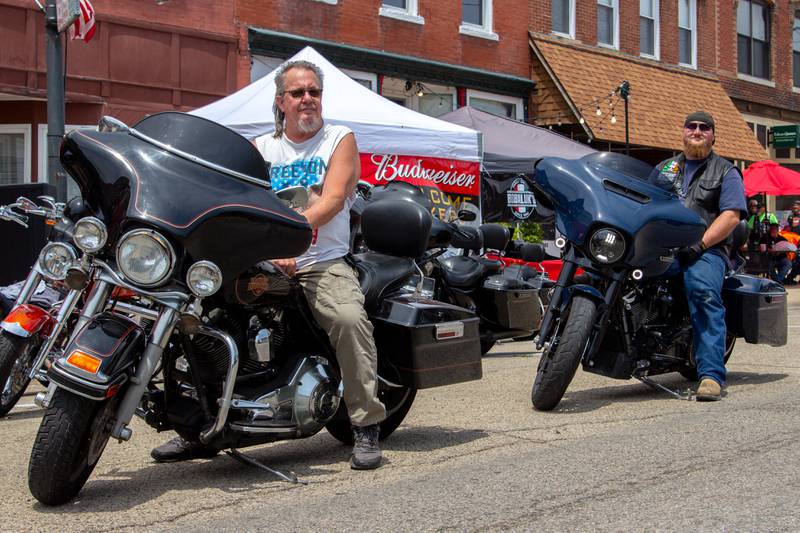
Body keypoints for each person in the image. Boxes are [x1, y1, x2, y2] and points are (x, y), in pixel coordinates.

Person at [151, 60, 387, 470]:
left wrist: (290, 244)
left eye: (314, 91)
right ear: (281, 102)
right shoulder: (260, 149)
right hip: (260, 260)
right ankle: (199, 428)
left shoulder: (338, 138)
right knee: (194, 318)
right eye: (298, 93)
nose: (307, 99)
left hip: (318, 260)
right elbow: (234, 199)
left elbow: (331, 201)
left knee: (348, 318)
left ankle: (365, 424)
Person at [651, 111, 747, 401]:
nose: (697, 131)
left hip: (706, 250)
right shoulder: (666, 168)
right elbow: (643, 202)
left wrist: (700, 245)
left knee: (703, 292)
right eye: (691, 126)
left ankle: (711, 376)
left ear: (713, 135)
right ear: (682, 132)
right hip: (662, 249)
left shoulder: (725, 171)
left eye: (704, 127)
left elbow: (731, 216)